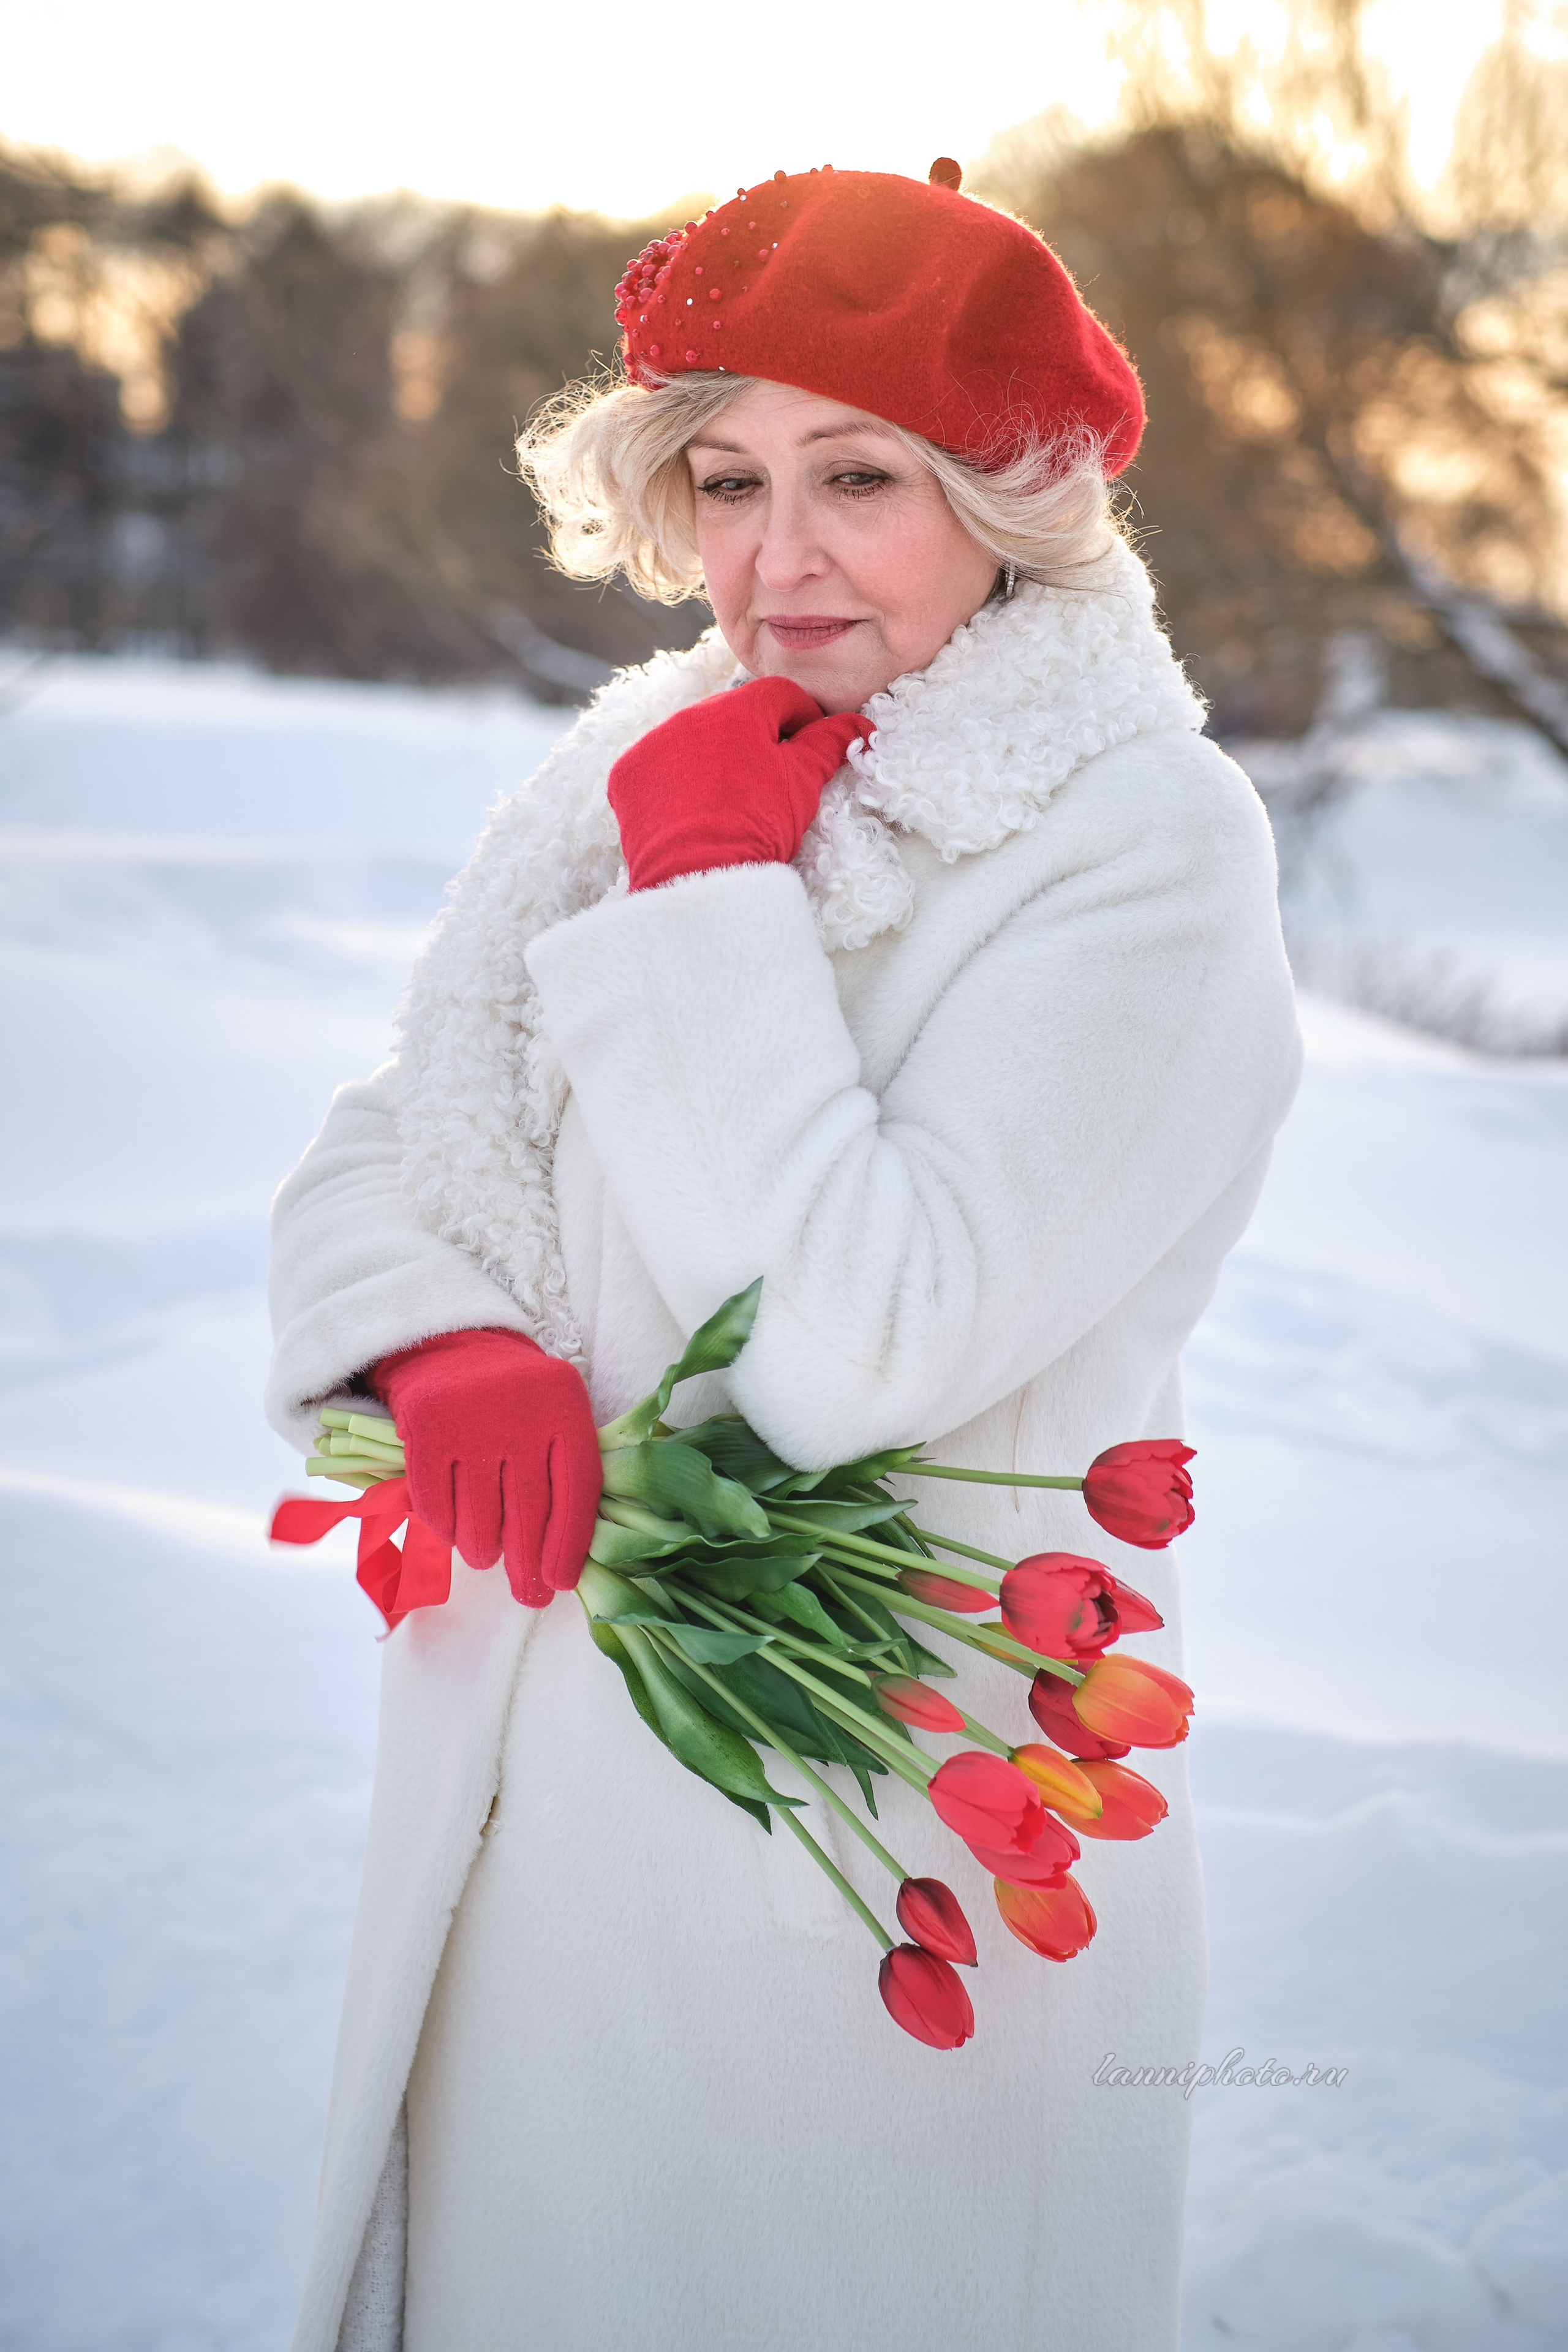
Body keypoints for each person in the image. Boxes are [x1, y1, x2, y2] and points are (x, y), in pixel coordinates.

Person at [267, 160, 1301, 2352]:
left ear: (1012, 503)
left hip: (861, 1838)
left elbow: (859, 1345)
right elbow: (405, 1126)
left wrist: (712, 903)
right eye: (727, 480)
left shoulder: (1138, 846)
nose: (777, 554)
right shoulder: (655, 753)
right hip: (532, 1815)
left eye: (861, 477)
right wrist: (434, 1339)